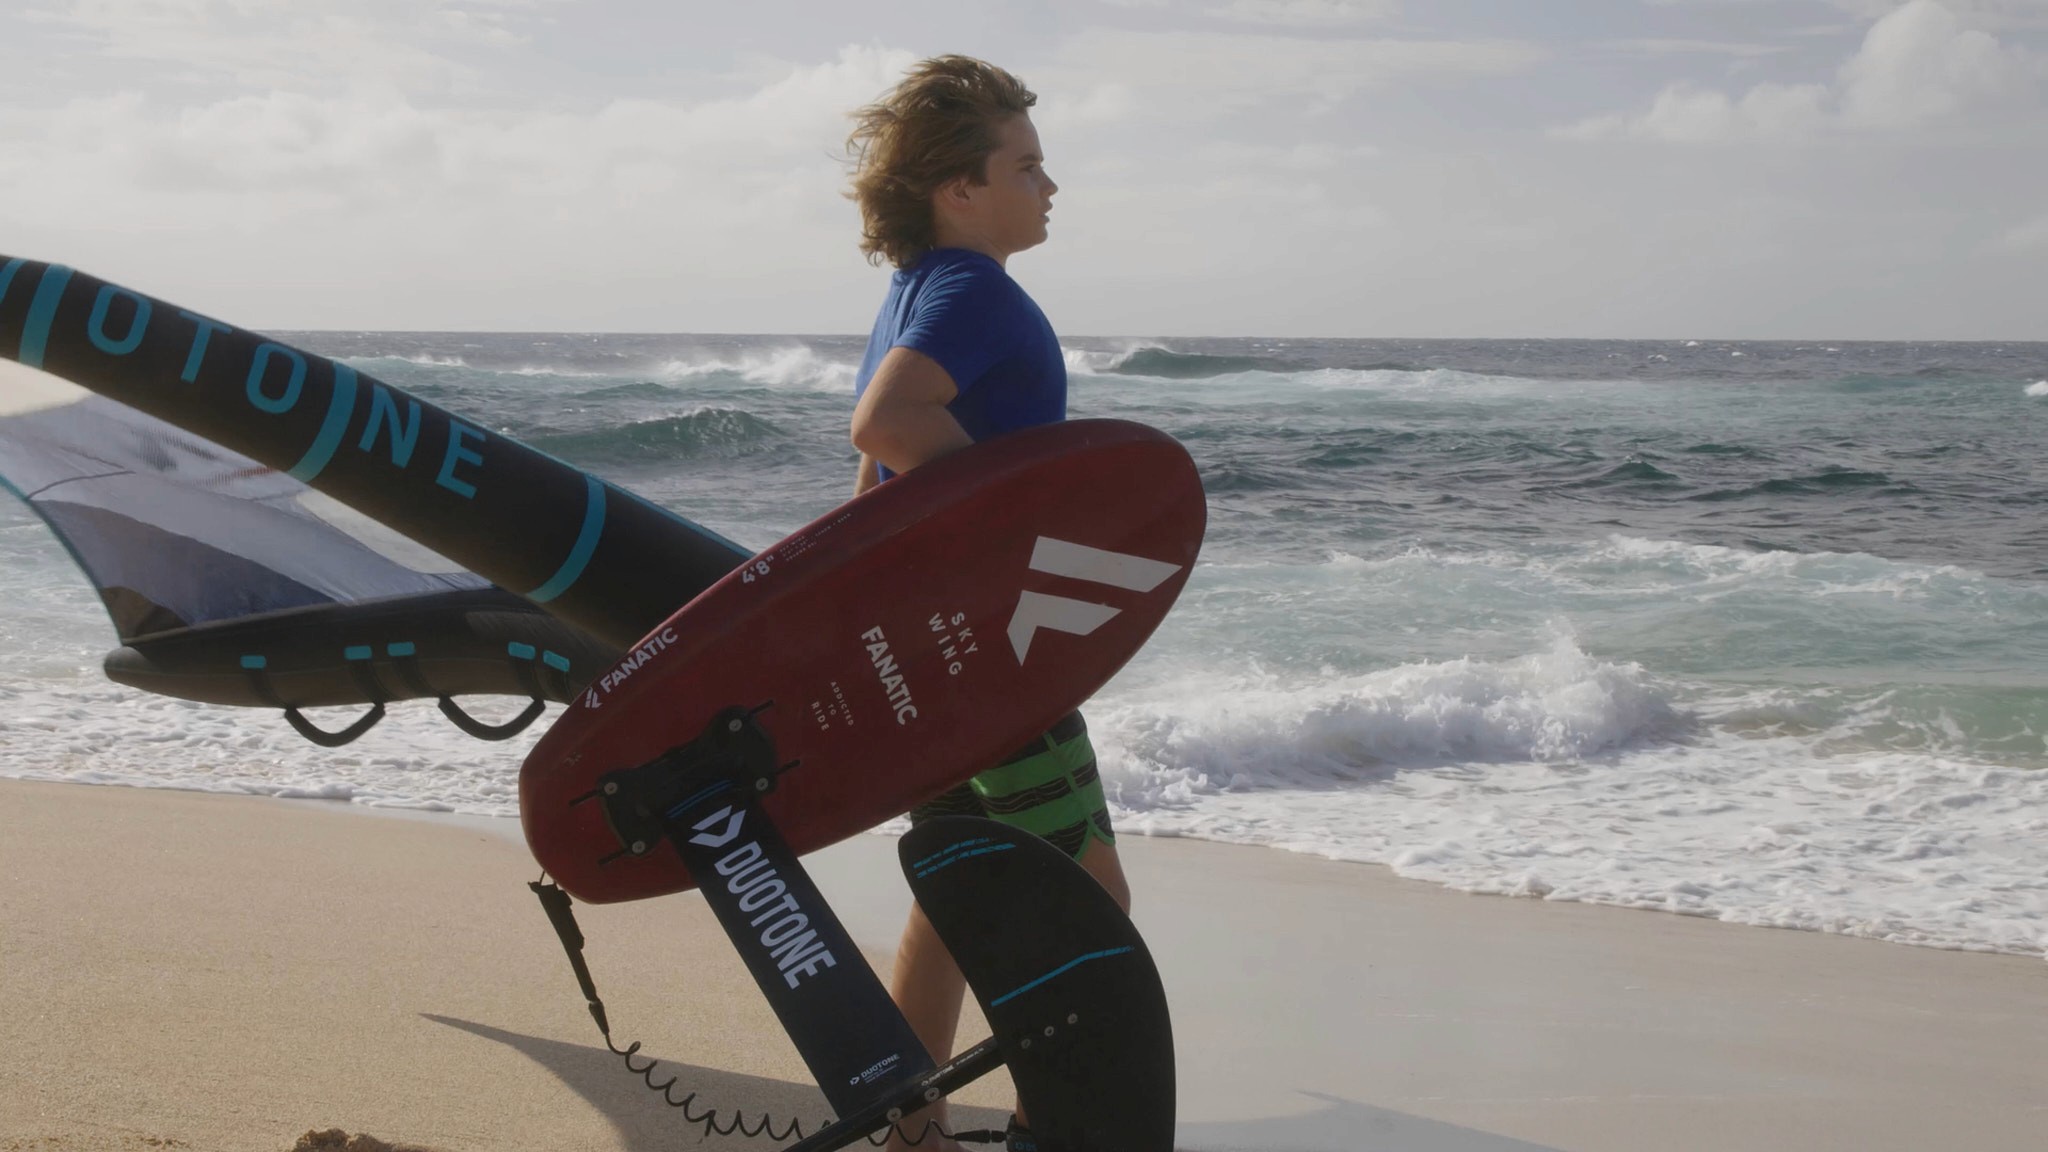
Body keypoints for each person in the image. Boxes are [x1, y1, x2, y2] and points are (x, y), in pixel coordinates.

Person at [844, 55, 1131, 1152]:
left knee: (957, 893)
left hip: (935, 654)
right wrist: (1008, 555)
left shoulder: (915, 293)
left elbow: (867, 475)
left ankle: (905, 1131)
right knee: (1085, 911)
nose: (1048, 187)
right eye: (1026, 166)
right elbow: (887, 427)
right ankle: (1043, 1134)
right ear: (958, 188)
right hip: (993, 660)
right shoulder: (974, 291)